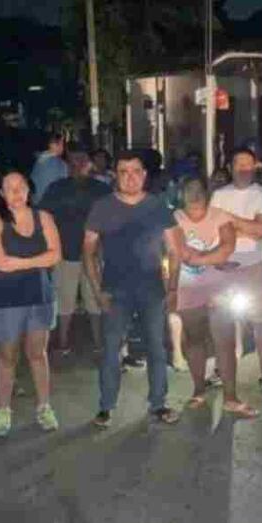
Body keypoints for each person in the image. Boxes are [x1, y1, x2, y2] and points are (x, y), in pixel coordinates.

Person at [83, 150, 182, 428]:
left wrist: (172, 288)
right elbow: (88, 251)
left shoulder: (158, 206)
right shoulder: (102, 207)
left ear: (144, 175)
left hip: (152, 289)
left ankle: (158, 404)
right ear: (115, 175)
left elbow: (175, 250)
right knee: (111, 350)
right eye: (123, 172)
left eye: (136, 171)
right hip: (115, 290)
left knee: (157, 348)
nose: (130, 177)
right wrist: (97, 289)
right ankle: (106, 406)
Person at [171, 177, 260, 418]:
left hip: (220, 289)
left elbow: (226, 249)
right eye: (189, 190)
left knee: (225, 341)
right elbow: (179, 251)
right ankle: (198, 390)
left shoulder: (219, 216)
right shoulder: (174, 218)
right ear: (181, 194)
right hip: (188, 290)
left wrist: (198, 258)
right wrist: (210, 258)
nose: (194, 195)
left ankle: (231, 397)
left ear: (207, 193)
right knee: (194, 339)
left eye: (198, 190)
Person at [0, 171, 62, 435]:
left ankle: (44, 407)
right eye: (9, 188)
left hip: (39, 295)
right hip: (6, 299)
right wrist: (37, 260)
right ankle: (3, 410)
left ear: (29, 189)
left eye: (21, 187)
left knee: (38, 354)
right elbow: (0, 262)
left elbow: (55, 256)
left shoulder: (44, 217)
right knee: (8, 356)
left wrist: (19, 262)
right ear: (1, 193)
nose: (16, 193)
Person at [210, 148, 262, 391]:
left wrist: (230, 220)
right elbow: (214, 230)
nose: (245, 170)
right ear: (231, 167)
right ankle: (221, 370)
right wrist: (242, 227)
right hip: (225, 265)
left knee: (260, 320)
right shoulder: (219, 195)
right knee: (223, 320)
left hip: (253, 265)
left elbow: (259, 231)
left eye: (249, 165)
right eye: (240, 164)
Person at [40, 148, 112, 353]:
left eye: (82, 161)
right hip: (65, 252)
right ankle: (63, 342)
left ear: (89, 164)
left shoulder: (101, 189)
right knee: (65, 299)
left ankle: (99, 342)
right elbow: (44, 217)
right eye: (73, 161)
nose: (78, 165)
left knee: (95, 298)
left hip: (95, 253)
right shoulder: (57, 188)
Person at [30, 133, 68, 204]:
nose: (63, 148)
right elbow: (63, 188)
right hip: (52, 204)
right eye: (61, 144)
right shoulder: (60, 164)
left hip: (36, 202)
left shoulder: (38, 161)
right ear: (52, 145)